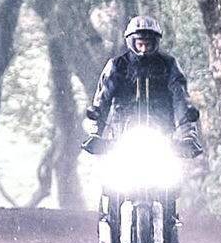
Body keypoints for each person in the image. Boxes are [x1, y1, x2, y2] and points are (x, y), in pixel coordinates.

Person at [86, 20, 200, 154]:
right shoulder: (117, 66)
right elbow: (102, 99)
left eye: (148, 44)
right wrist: (95, 132)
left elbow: (180, 98)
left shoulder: (168, 65)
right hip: (122, 138)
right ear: (131, 42)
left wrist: (188, 134)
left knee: (175, 171)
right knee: (112, 172)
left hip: (162, 138)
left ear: (155, 43)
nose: (144, 49)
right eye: (140, 44)